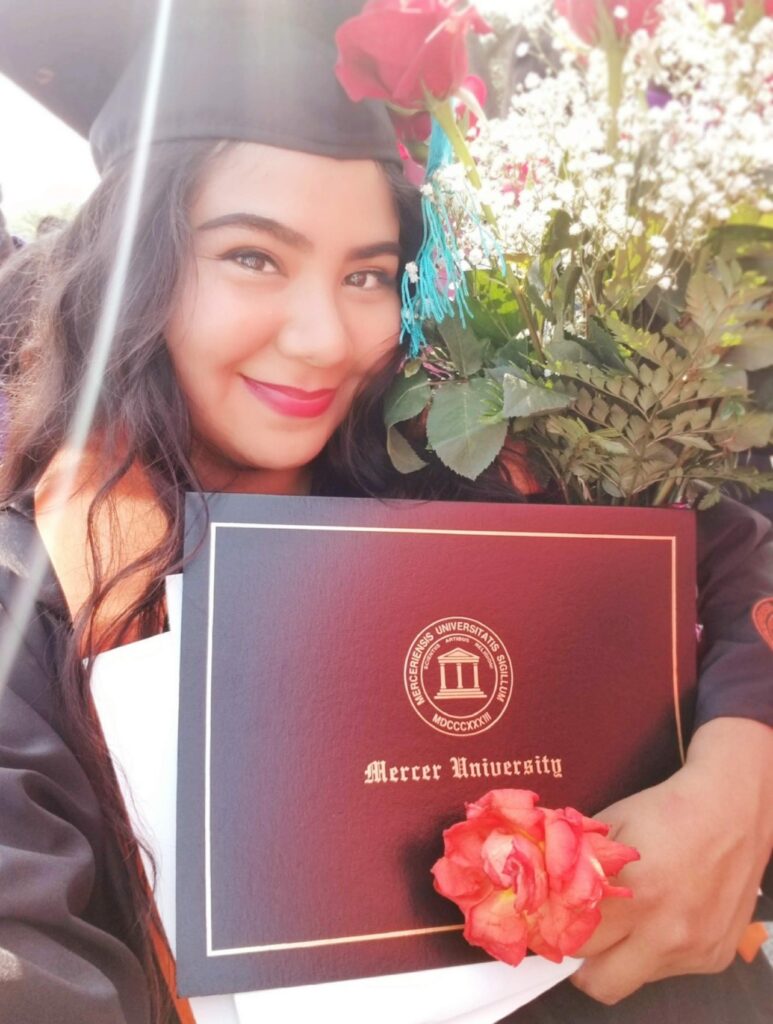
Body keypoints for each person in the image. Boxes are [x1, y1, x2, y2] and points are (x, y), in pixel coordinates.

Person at [0, 2, 770, 1024]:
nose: (325, 338)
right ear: (131, 266)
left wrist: (740, 766)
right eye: (251, 256)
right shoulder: (38, 592)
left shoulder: (474, 473)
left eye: (366, 273)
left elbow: (726, 559)